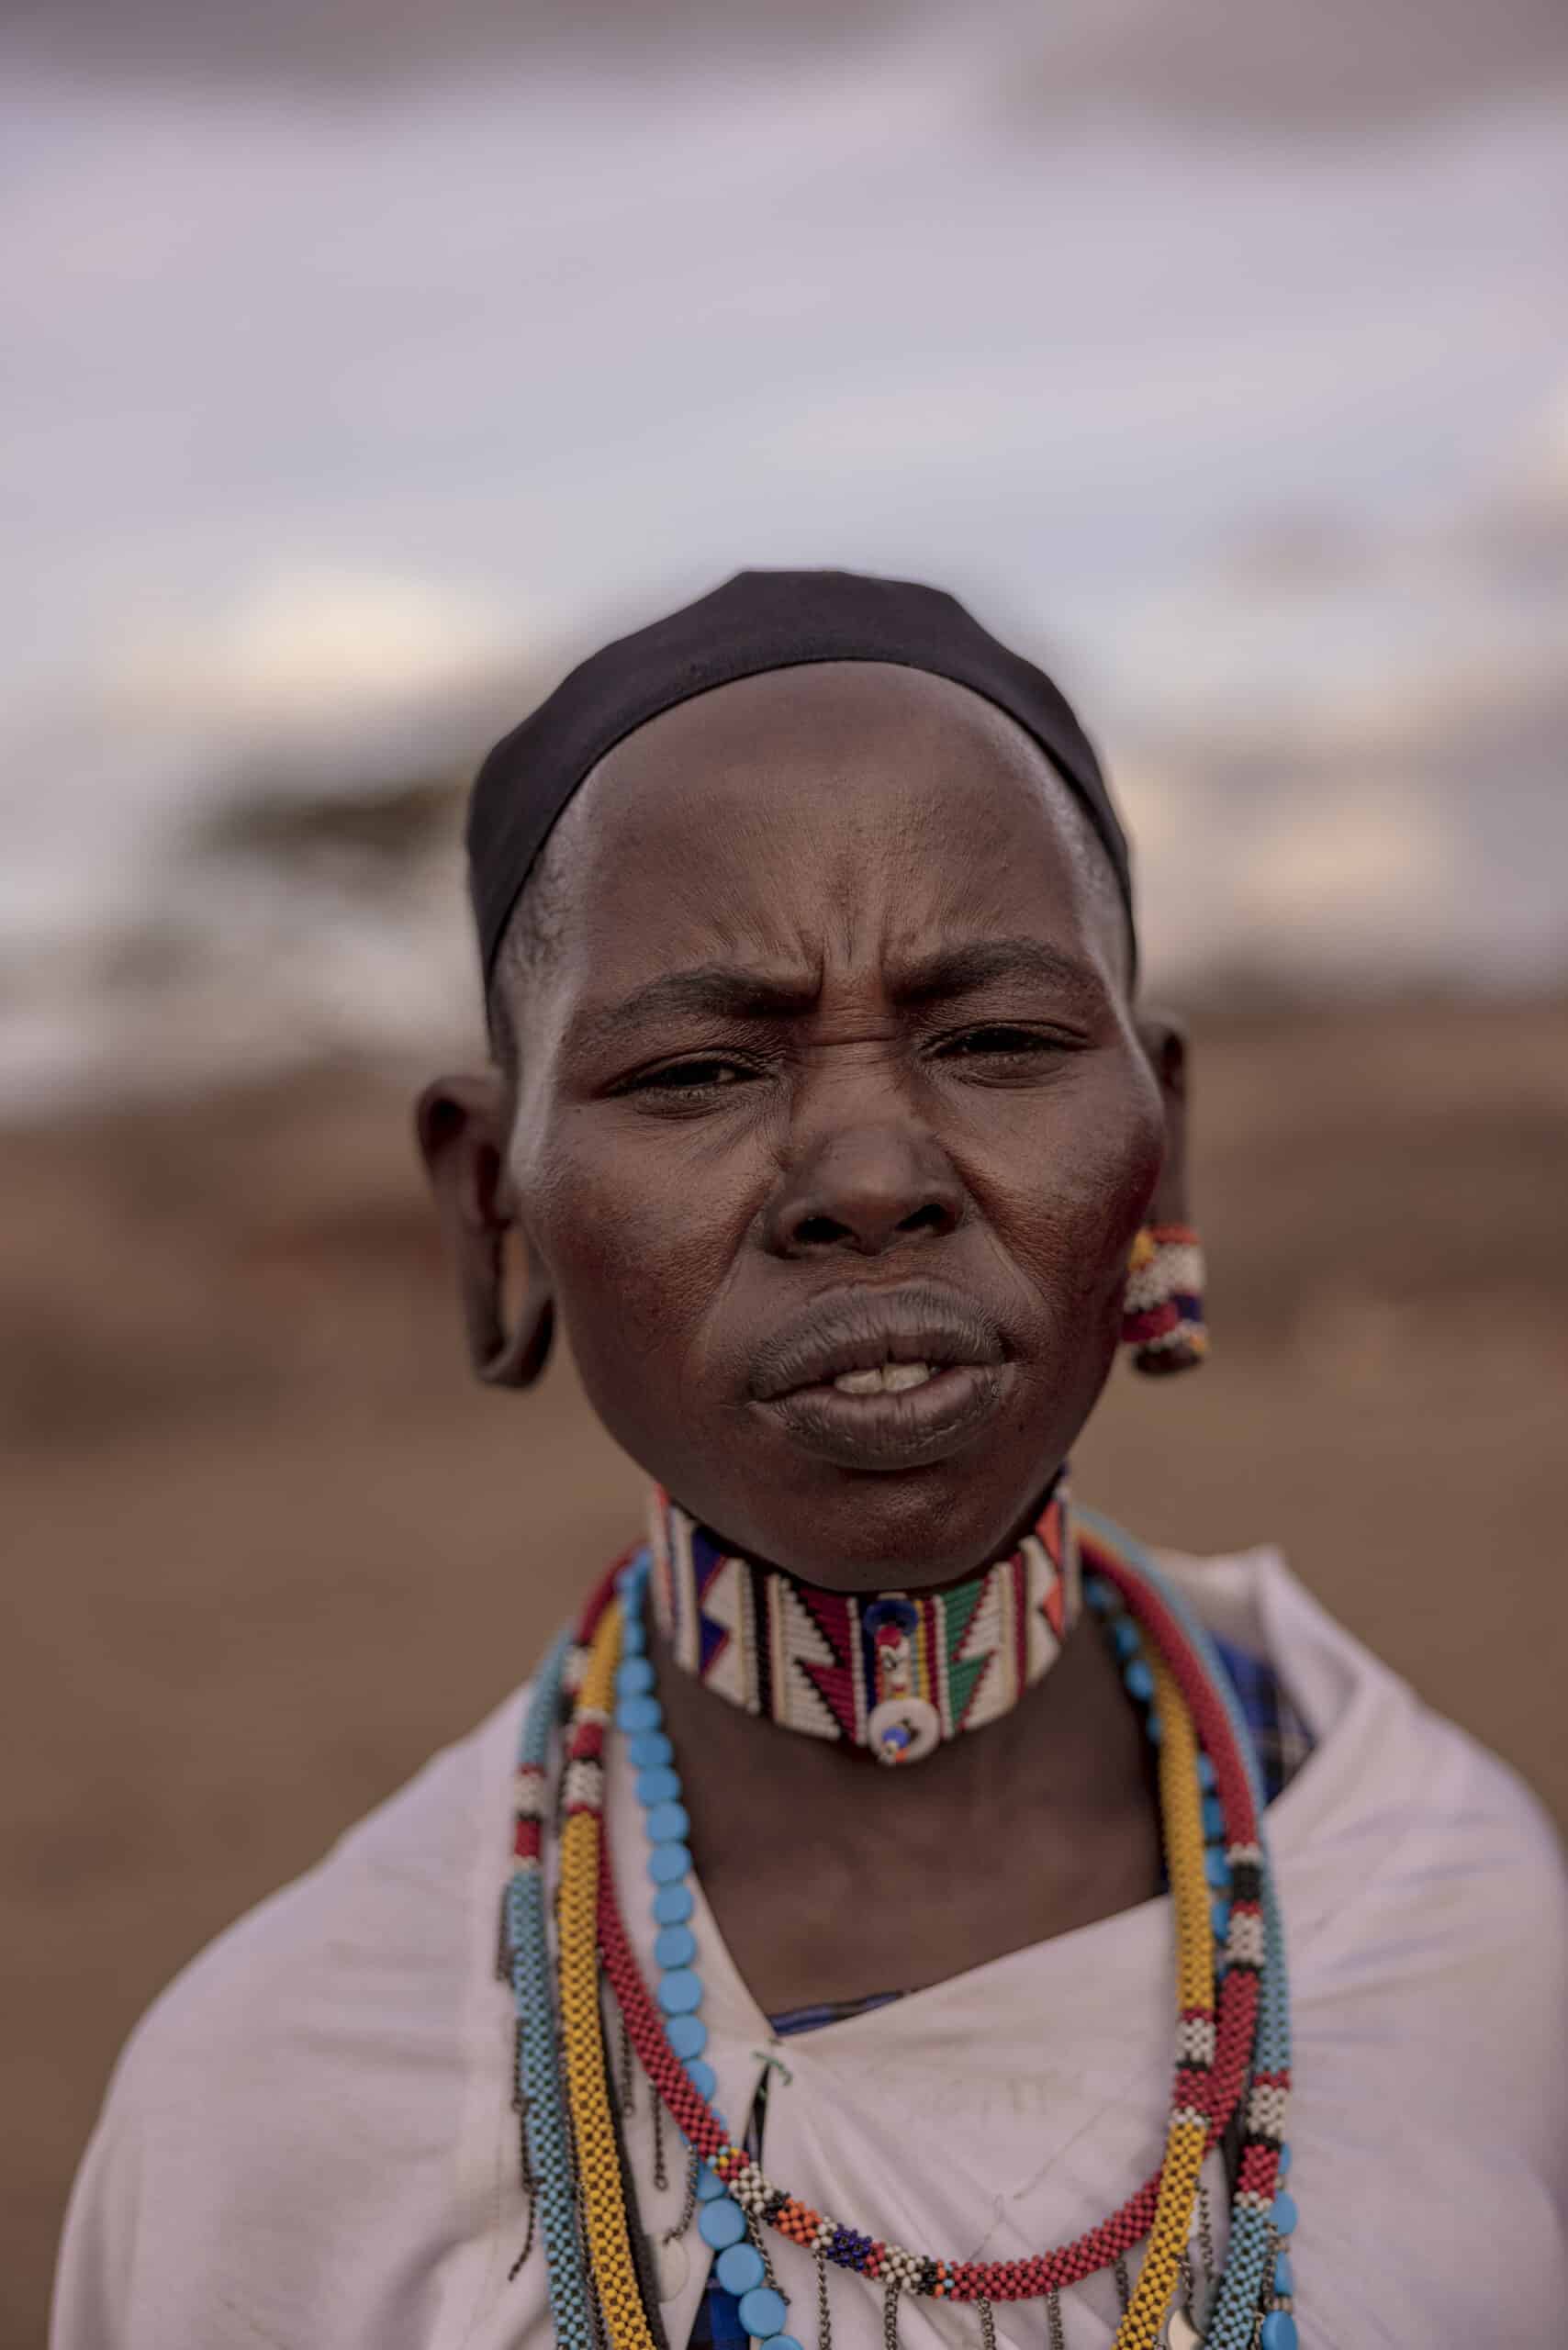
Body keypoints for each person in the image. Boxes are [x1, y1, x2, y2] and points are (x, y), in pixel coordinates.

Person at [52, 571, 1567, 2349]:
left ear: (1159, 1161)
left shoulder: (1451, 1906)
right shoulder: (282, 2100)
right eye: (694, 1069)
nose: (866, 1176)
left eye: (997, 1041)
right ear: (492, 1204)